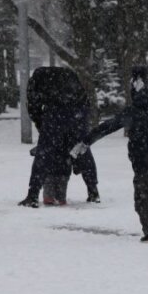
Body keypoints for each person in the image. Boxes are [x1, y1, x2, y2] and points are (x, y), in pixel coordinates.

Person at [71, 66, 148, 242]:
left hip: (143, 161)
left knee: (143, 196)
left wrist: (86, 141)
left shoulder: (132, 113)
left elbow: (107, 127)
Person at [26, 66, 100, 205]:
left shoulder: (36, 79)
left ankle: (33, 195)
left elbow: (33, 105)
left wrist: (41, 124)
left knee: (43, 153)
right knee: (81, 149)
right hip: (79, 113)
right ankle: (93, 191)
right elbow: (85, 98)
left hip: (56, 113)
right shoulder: (70, 73)